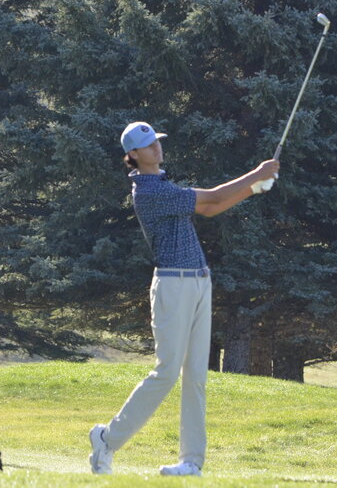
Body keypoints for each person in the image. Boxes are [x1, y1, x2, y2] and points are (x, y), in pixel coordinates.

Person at [88, 121, 280, 476]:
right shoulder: (148, 191)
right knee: (166, 372)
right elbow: (213, 197)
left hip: (198, 281)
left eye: (157, 142)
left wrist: (254, 188)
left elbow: (209, 208)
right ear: (132, 156)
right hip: (173, 286)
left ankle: (191, 462)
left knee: (196, 376)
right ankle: (107, 439)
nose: (156, 148)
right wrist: (255, 175)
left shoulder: (163, 184)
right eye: (147, 146)